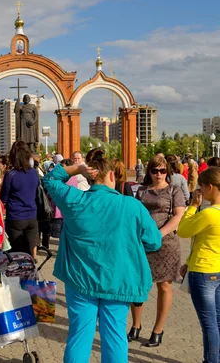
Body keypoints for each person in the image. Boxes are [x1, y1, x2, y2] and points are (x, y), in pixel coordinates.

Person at [43, 149, 162, 362]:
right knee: (115, 336)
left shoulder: (74, 200)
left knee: (79, 335)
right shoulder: (132, 205)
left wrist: (75, 169)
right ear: (112, 176)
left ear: (90, 179)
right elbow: (154, 241)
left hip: (80, 279)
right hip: (117, 281)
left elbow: (51, 179)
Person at [130, 155, 186, 347]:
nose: (159, 174)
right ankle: (135, 326)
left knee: (164, 286)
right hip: (142, 244)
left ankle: (158, 330)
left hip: (166, 244)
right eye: (155, 171)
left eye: (163, 171)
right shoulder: (142, 190)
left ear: (167, 172)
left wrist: (158, 234)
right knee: (138, 285)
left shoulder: (174, 190)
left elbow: (178, 216)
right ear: (149, 172)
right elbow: (135, 215)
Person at [177, 168, 220, 363]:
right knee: (217, 321)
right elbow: (203, 240)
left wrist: (193, 206)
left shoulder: (209, 214)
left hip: (203, 270)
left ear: (210, 187)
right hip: (217, 269)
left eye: (202, 187)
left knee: (209, 324)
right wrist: (187, 261)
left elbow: (183, 231)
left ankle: (211, 360)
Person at [0, 141, 39, 257]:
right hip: (32, 216)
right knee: (29, 253)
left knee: (16, 255)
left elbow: (4, 198)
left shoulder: (11, 174)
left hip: (16, 217)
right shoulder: (34, 172)